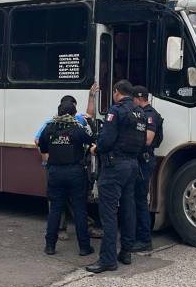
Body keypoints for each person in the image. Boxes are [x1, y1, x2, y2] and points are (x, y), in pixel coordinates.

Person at [86, 80, 147, 274]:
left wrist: (96, 149)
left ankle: (107, 260)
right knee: (128, 209)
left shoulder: (116, 110)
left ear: (116, 92)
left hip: (114, 167)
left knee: (109, 214)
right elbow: (142, 141)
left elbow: (106, 140)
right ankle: (126, 252)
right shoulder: (140, 113)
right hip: (132, 165)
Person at [34, 84, 102, 240]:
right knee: (67, 202)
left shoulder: (73, 121)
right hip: (66, 168)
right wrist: (49, 160)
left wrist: (91, 96)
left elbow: (89, 114)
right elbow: (38, 140)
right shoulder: (51, 123)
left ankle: (55, 238)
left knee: (66, 201)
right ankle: (66, 230)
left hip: (61, 168)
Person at [38, 102, 94, 256]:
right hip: (75, 172)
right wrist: (89, 123)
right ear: (73, 114)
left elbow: (43, 147)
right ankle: (84, 247)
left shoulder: (49, 128)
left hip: (55, 172)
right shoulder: (77, 128)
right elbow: (91, 139)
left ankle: (50, 246)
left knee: (55, 209)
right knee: (79, 209)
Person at [131, 85, 164, 252]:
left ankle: (144, 239)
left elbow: (148, 139)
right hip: (141, 160)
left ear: (138, 98)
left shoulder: (149, 115)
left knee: (140, 200)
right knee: (136, 199)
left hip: (144, 161)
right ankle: (137, 235)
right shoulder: (144, 113)